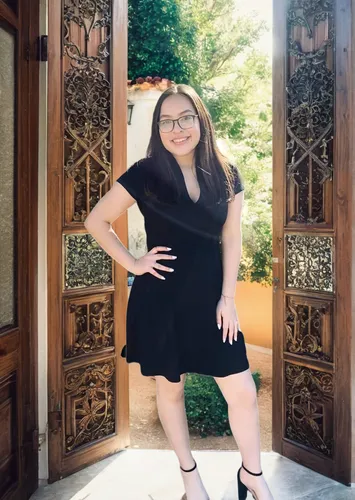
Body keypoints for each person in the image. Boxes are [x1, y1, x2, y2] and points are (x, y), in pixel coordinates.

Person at [84, 84, 273, 500]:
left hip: (211, 301)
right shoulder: (145, 173)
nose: (177, 128)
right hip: (161, 300)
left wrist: (228, 298)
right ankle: (191, 480)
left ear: (200, 120)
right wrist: (134, 263)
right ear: (159, 129)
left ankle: (253, 475)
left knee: (241, 388)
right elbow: (96, 220)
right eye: (166, 121)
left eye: (185, 117)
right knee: (171, 388)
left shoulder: (227, 174)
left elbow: (232, 240)